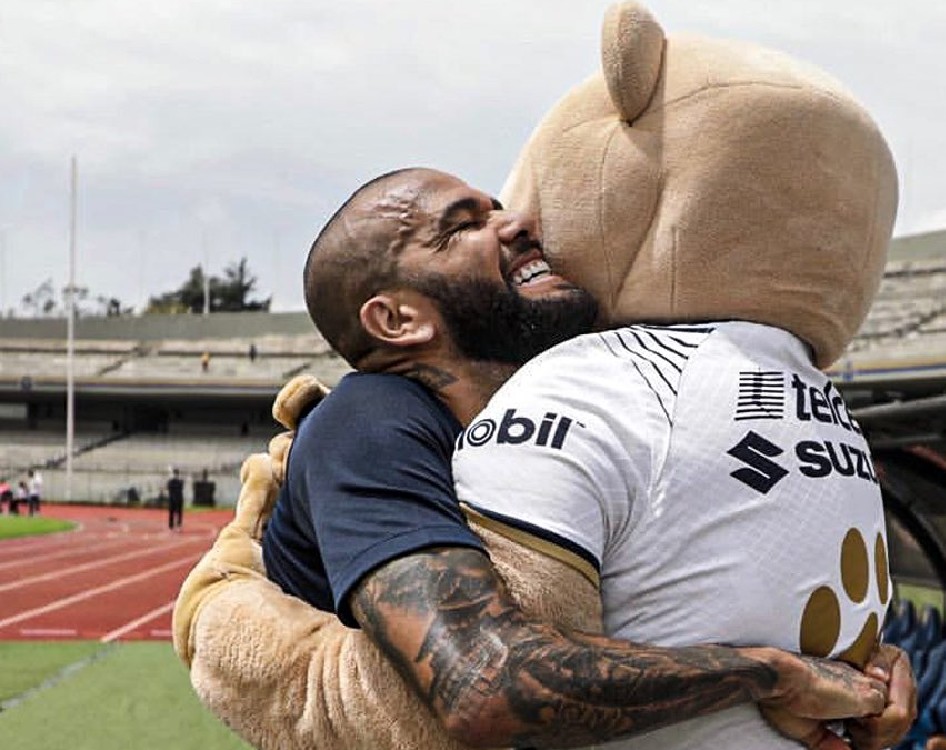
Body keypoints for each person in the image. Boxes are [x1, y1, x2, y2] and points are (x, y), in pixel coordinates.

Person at [260, 167, 895, 750]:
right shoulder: (367, 422)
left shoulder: (578, 410)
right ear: (397, 320)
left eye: (499, 208)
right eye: (462, 227)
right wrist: (776, 676)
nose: (519, 223)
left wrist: (861, 675)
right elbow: (483, 685)